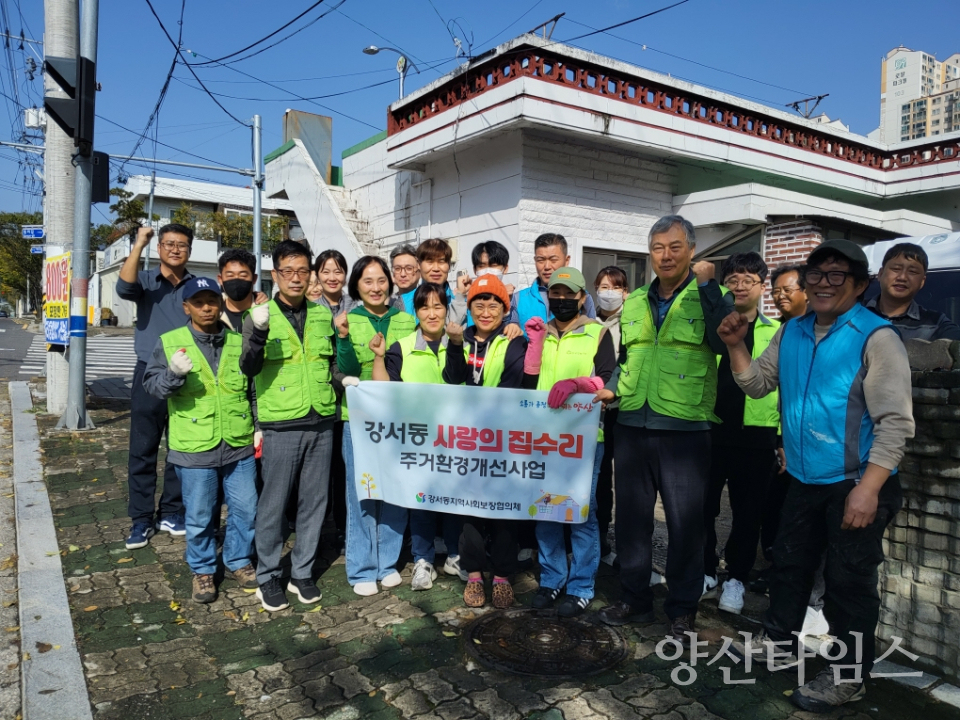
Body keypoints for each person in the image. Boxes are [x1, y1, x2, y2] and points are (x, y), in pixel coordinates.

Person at [719, 239, 914, 712]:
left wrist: (868, 490)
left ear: (859, 284)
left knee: (849, 585)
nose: (824, 284)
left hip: (856, 482)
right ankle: (780, 646)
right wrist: (735, 345)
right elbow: (758, 385)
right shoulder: (792, 332)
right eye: (816, 274)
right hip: (804, 479)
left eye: (837, 276)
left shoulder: (877, 337)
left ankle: (849, 677)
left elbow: (895, 423)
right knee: (789, 566)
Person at [595, 215, 733, 644]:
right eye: (658, 248)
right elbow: (628, 358)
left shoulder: (714, 295)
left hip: (686, 428)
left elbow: (721, 341)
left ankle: (682, 609)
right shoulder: (634, 300)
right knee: (632, 520)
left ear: (691, 250)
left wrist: (709, 288)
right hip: (633, 421)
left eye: (675, 247)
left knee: (685, 523)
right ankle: (635, 599)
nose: (666, 255)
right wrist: (610, 390)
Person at [142, 277, 258, 604]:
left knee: (246, 507)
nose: (206, 308)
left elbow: (250, 390)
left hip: (238, 441)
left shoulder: (237, 342)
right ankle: (203, 569)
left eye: (211, 301)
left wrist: (258, 425)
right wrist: (173, 374)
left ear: (220, 303)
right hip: (194, 445)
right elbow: (153, 388)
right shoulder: (170, 342)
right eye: (198, 302)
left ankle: (237, 559)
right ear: (186, 307)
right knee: (200, 513)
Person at [239, 240, 336, 612]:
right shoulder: (259, 315)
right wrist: (260, 333)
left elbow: (329, 365)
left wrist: (343, 381)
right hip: (281, 422)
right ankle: (268, 576)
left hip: (321, 419)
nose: (296, 278)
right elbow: (248, 368)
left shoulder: (322, 314)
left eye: (302, 271)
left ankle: (302, 572)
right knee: (274, 504)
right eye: (287, 271)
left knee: (315, 502)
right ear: (275, 274)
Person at [442, 274, 538, 608]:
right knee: (468, 511)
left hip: (503, 439)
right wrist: (455, 347)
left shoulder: (515, 341)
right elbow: (452, 379)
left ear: (505, 307)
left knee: (504, 510)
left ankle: (501, 576)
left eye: (493, 303)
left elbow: (515, 384)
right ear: (468, 308)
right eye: (478, 304)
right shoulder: (458, 337)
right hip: (466, 441)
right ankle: (473, 575)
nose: (486, 311)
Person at [528, 267, 616, 617]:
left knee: (580, 511)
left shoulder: (597, 332)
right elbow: (525, 381)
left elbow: (609, 376)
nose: (561, 300)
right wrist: (533, 346)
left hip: (582, 437)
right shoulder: (540, 332)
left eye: (569, 294)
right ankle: (552, 579)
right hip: (539, 435)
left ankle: (581, 585)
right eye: (555, 293)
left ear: (582, 297)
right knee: (545, 507)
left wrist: (581, 383)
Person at [369, 283, 465, 592]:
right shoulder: (402, 346)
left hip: (454, 438)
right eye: (425, 307)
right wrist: (380, 357)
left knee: (452, 499)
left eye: (438, 306)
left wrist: (455, 344)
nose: (432, 313)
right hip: (418, 440)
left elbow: (461, 380)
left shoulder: (460, 342)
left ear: (446, 309)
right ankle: (423, 559)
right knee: (421, 499)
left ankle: (454, 555)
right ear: (416, 312)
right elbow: (384, 390)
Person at [702, 252, 779, 615]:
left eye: (749, 278)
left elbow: (785, 387)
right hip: (711, 430)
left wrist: (780, 438)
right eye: (733, 279)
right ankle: (705, 569)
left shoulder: (776, 333)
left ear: (762, 286)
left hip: (758, 435)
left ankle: (736, 578)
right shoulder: (711, 329)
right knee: (702, 508)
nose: (740, 285)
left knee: (748, 513)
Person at [335, 256, 417, 596]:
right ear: (356, 286)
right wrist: (342, 338)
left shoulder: (405, 319)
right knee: (362, 493)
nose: (376, 287)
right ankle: (361, 567)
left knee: (395, 488)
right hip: (358, 419)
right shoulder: (347, 320)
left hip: (398, 419)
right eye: (367, 281)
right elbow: (345, 366)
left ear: (390, 283)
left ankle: (387, 562)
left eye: (381, 280)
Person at [117, 224, 194, 549]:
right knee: (143, 449)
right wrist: (139, 243)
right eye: (169, 244)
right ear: (159, 247)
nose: (175, 250)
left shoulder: (196, 286)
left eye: (182, 245)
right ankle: (141, 519)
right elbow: (123, 287)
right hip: (149, 373)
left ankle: (172, 512)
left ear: (189, 250)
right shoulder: (146, 281)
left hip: (187, 375)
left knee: (181, 448)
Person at [593, 266, 629, 561]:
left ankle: (627, 542)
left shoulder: (632, 323)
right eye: (602, 286)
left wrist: (614, 390)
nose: (608, 292)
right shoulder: (589, 325)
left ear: (624, 292)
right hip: (595, 410)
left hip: (624, 409)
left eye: (614, 287)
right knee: (600, 475)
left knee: (627, 479)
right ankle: (601, 536)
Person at [866, 242, 960, 341]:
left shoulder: (935, 324)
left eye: (912, 272)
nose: (902, 277)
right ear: (880, 274)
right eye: (896, 269)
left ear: (922, 282)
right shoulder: (854, 312)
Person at [509, 233, 596, 333]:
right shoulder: (518, 298)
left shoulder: (582, 297)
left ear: (566, 260)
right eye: (540, 260)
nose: (547, 266)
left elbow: (591, 333)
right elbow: (510, 336)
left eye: (553, 260)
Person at [217, 248, 268, 331]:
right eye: (230, 276)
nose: (236, 279)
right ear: (220, 279)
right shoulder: (212, 314)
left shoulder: (266, 312)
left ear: (254, 279)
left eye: (243, 275)